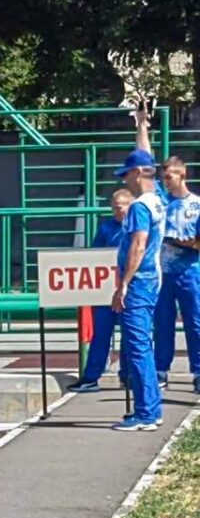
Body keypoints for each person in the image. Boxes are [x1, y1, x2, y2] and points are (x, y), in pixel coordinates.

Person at [110, 143, 167, 431]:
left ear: (136, 173)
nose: (124, 182)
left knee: (137, 346)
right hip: (152, 279)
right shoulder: (157, 198)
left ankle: (147, 412)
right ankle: (150, 409)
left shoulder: (139, 207)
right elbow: (147, 156)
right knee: (141, 344)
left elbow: (138, 245)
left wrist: (123, 284)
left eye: (126, 176)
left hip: (140, 282)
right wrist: (142, 125)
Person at [67, 188, 133, 392]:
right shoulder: (106, 229)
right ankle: (91, 377)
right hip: (106, 290)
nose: (116, 212)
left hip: (130, 288)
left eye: (119, 208)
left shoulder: (137, 227)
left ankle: (128, 375)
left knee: (130, 335)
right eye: (113, 208)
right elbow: (96, 256)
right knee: (101, 334)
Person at [152, 157, 200, 393]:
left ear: (183, 175)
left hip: (190, 272)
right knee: (162, 323)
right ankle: (161, 370)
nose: (166, 181)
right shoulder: (161, 202)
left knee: (195, 323)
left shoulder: (197, 205)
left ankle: (198, 372)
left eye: (169, 176)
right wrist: (141, 127)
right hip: (163, 273)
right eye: (164, 177)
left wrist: (186, 244)